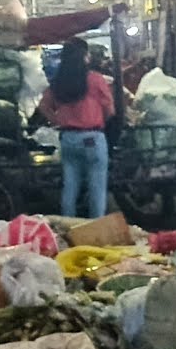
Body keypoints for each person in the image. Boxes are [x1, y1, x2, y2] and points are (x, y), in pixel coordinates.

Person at [39, 38, 116, 218]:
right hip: (92, 137)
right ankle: (96, 227)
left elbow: (44, 106)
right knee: (97, 186)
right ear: (84, 57)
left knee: (70, 186)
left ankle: (68, 225)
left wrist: (58, 120)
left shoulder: (58, 81)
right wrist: (99, 121)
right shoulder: (95, 79)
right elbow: (110, 110)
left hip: (68, 139)